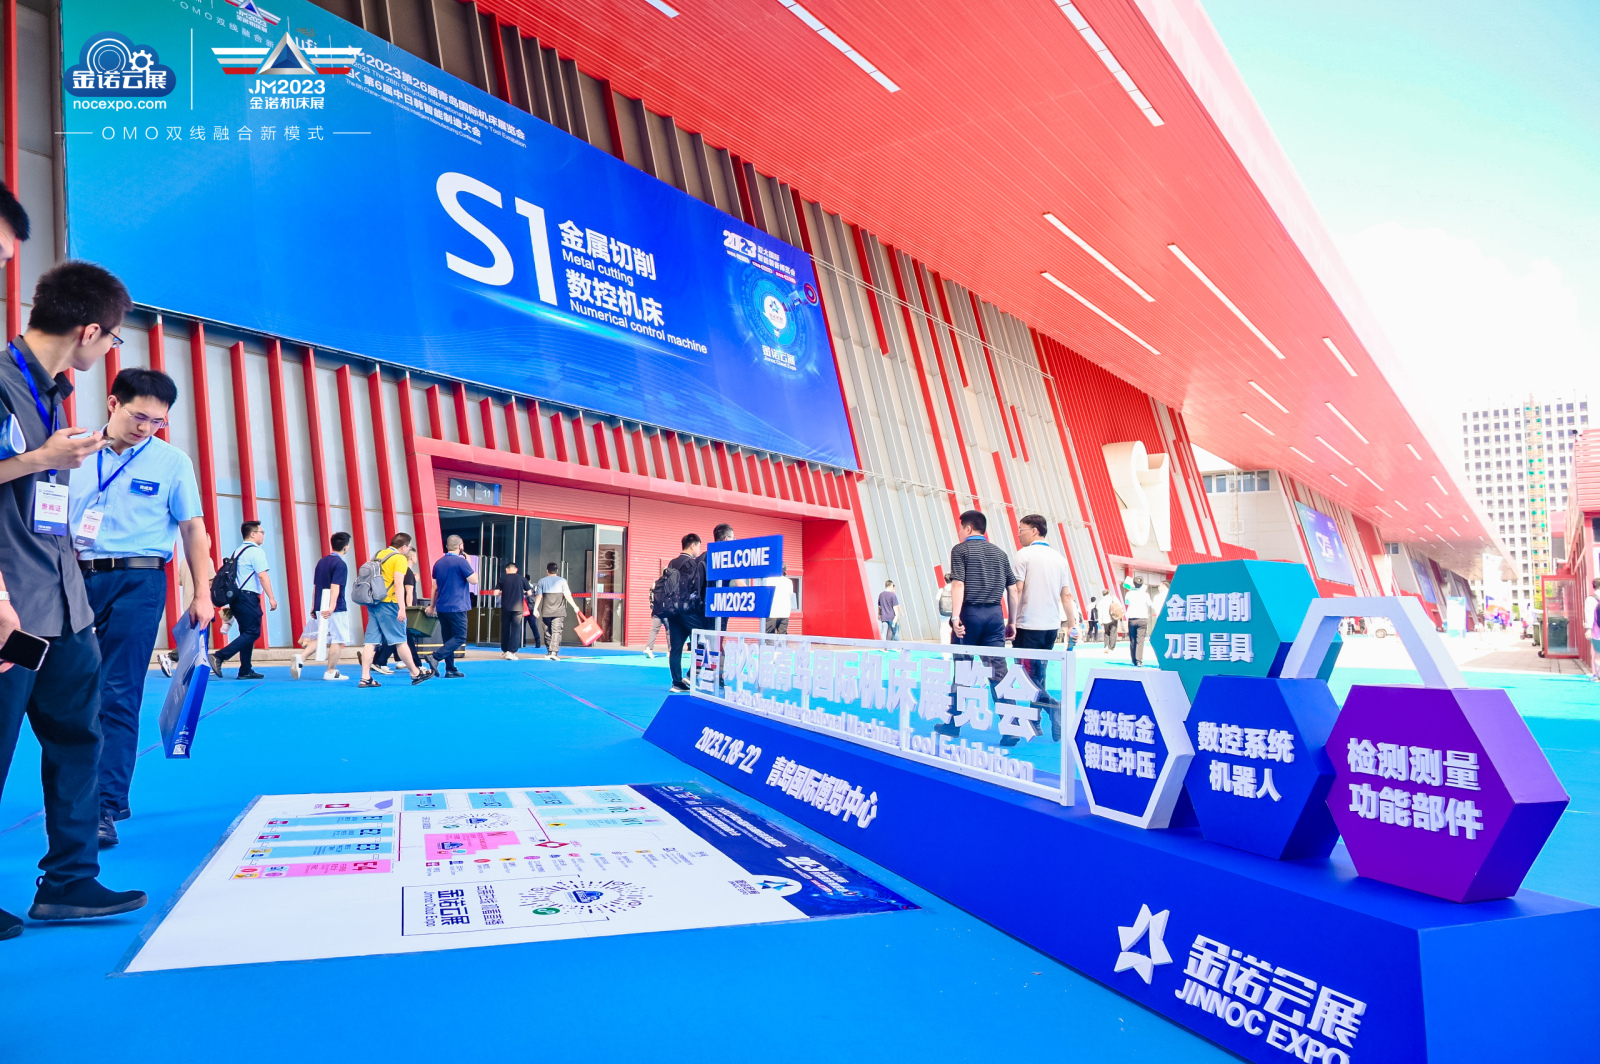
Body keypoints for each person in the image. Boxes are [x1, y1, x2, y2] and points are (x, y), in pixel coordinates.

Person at [0, 252, 148, 936]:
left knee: (79, 739)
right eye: (113, 337)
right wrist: (40, 459)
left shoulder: (54, 394)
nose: (111, 348)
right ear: (89, 331)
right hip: (11, 605)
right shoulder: (3, 382)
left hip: (64, 602)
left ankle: (70, 881)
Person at [70, 367, 214, 846]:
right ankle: (71, 794)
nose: (146, 428)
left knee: (119, 691)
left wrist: (201, 593)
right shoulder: (73, 452)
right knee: (67, 691)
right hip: (73, 577)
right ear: (113, 403)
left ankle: (105, 805)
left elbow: (193, 528)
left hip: (140, 580)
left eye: (157, 421)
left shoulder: (172, 462)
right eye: (138, 416)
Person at [942, 510, 1019, 737]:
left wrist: (955, 617)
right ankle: (1012, 726)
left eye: (960, 528)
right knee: (998, 671)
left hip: (970, 614)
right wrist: (1012, 621)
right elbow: (1012, 590)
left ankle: (954, 723)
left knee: (963, 669)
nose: (959, 532)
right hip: (995, 615)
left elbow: (958, 584)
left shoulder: (960, 550)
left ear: (968, 528)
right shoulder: (1000, 554)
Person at [1012, 514, 1076, 739]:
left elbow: (1018, 590)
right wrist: (1072, 625)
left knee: (1026, 677)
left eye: (1021, 529)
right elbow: (1066, 595)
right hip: (1050, 626)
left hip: (1028, 624)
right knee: (1039, 675)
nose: (1018, 534)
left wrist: (1011, 621)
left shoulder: (1024, 555)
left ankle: (1052, 707)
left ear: (1035, 530)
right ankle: (1035, 721)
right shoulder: (1060, 559)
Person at [356, 533, 433, 688]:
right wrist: (402, 608)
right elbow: (398, 584)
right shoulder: (399, 559)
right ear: (404, 547)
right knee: (400, 640)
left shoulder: (379, 554)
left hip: (374, 601)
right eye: (409, 547)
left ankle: (365, 677)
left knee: (370, 642)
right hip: (389, 603)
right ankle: (415, 673)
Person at [209, 520, 277, 679]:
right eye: (261, 532)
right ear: (253, 534)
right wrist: (271, 597)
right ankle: (219, 656)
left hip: (236, 597)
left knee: (246, 632)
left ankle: (245, 669)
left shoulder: (238, 552)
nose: (263, 535)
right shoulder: (256, 552)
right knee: (252, 632)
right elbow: (263, 575)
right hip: (248, 597)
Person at [292, 531, 351, 682]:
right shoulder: (340, 564)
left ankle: (301, 657)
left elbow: (316, 587)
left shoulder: (322, 562)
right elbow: (335, 586)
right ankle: (331, 671)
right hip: (335, 608)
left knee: (324, 636)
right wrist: (332, 607)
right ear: (346, 547)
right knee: (338, 639)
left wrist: (314, 606)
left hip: (320, 604)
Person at [427, 535, 476, 677]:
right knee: (460, 637)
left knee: (448, 638)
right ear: (461, 546)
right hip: (457, 606)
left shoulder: (438, 563)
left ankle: (450, 669)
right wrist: (469, 563)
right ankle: (435, 657)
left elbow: (434, 587)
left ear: (447, 546)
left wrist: (432, 605)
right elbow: (474, 580)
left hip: (442, 606)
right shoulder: (462, 562)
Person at [665, 533, 707, 691]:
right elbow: (696, 588)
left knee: (675, 650)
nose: (699, 550)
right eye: (698, 547)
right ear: (693, 546)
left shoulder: (672, 563)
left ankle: (676, 683)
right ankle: (691, 676)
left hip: (672, 612)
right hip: (688, 611)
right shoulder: (692, 564)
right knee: (703, 642)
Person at [533, 562, 579, 661]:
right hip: (559, 611)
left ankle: (549, 651)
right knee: (556, 631)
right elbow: (567, 595)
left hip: (546, 611)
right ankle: (554, 652)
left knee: (547, 631)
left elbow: (539, 596)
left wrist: (535, 608)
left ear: (547, 571)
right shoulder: (562, 581)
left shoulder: (542, 581)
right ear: (557, 570)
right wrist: (575, 607)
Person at [493, 561, 530, 659]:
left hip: (506, 607)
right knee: (515, 629)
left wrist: (501, 592)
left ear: (507, 569)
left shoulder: (503, 578)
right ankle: (512, 651)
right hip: (518, 608)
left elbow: (495, 593)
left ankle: (505, 650)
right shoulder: (522, 579)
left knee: (505, 628)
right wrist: (522, 593)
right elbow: (530, 592)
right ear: (516, 569)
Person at [1124, 576, 1153, 666]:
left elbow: (1127, 602)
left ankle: (1133, 659)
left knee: (1132, 639)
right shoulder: (1145, 594)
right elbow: (1150, 604)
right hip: (1142, 618)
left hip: (1132, 619)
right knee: (1140, 640)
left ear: (1134, 583)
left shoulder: (1129, 593)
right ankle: (1139, 660)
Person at [643, 565, 670, 658]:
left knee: (654, 630)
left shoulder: (655, 583)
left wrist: (653, 606)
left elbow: (650, 596)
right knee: (669, 631)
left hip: (655, 611)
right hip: (666, 612)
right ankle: (670, 651)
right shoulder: (669, 584)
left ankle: (648, 648)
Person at [765, 567, 793, 635]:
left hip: (772, 612)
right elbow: (790, 594)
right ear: (785, 570)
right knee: (782, 636)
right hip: (784, 612)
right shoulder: (789, 581)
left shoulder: (769, 580)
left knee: (769, 636)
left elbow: (765, 595)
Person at [1585, 577, 1600, 683]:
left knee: (1598, 653)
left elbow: (1590, 615)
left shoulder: (1591, 600)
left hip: (1597, 631)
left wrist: (1588, 629)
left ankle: (1598, 676)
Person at [936, 573, 954, 642]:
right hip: (955, 613)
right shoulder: (956, 589)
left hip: (944, 613)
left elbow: (937, 599)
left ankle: (945, 645)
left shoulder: (941, 590)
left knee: (944, 629)